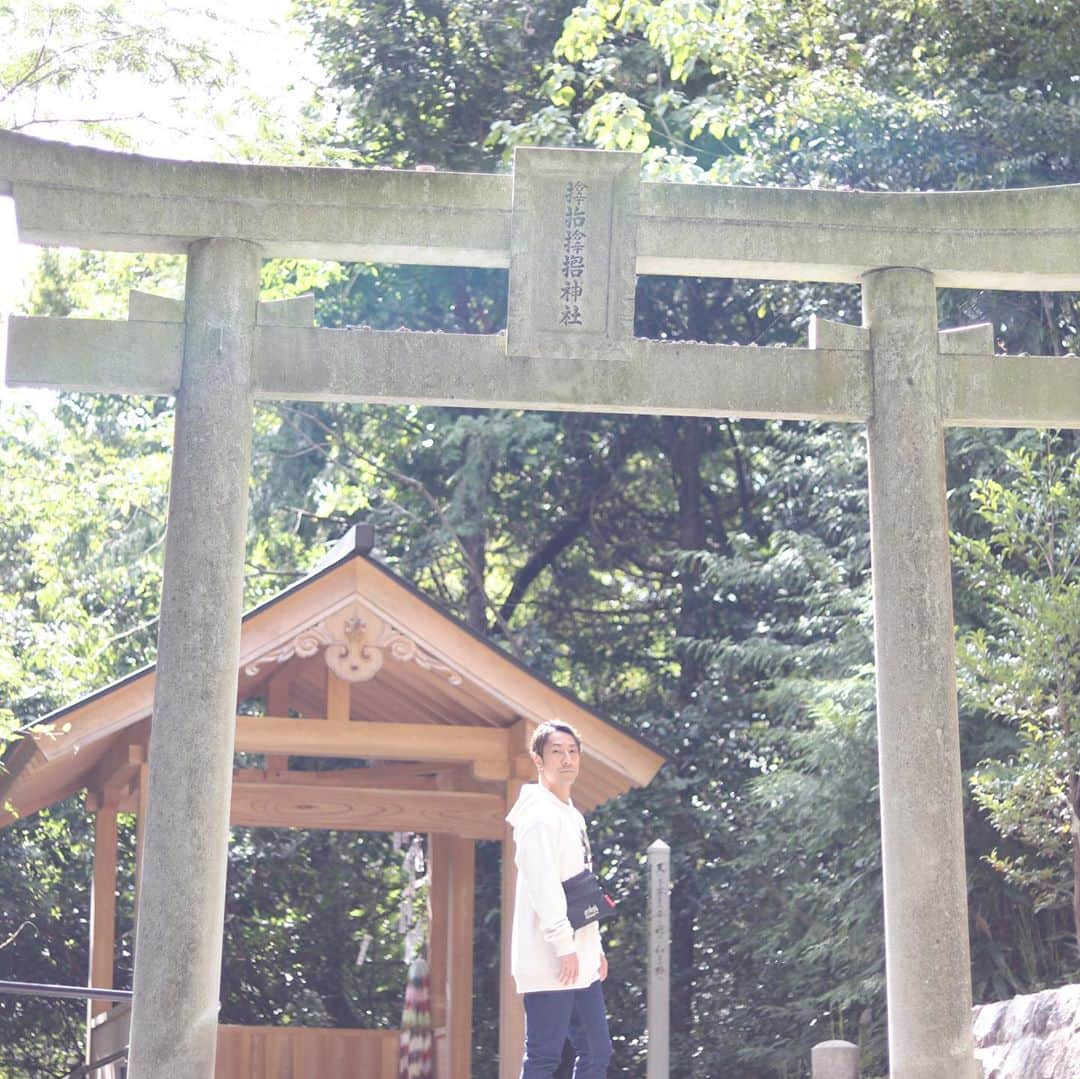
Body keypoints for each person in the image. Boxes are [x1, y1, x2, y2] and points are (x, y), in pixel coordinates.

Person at [506, 720, 612, 1078]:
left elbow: (580, 885)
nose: (566, 759)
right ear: (538, 760)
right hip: (550, 954)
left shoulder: (570, 814)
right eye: (556, 751)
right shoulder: (537, 816)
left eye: (572, 751)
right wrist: (564, 945)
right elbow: (544, 887)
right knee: (543, 1057)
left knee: (598, 1050)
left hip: (578, 955)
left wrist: (592, 945)